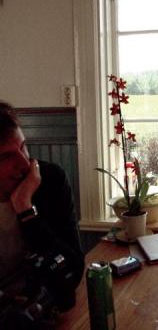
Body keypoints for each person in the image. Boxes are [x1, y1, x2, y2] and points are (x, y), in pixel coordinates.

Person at [0, 101, 84, 323]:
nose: (24, 163)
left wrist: (26, 210)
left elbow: (73, 270)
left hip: (45, 313)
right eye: (5, 157)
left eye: (23, 146)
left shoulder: (50, 181)